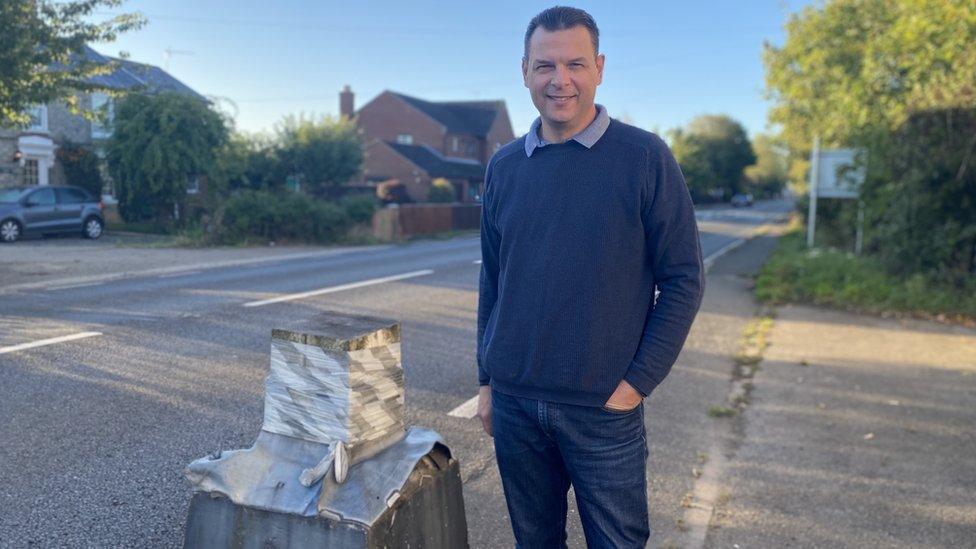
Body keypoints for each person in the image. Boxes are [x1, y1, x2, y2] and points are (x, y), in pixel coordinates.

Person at [475, 6, 705, 548]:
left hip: (604, 409)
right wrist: (486, 381)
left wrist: (635, 385)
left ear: (599, 67)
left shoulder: (645, 158)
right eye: (545, 66)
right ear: (524, 71)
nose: (560, 80)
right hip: (515, 406)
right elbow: (494, 279)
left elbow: (683, 279)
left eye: (575, 64)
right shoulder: (504, 166)